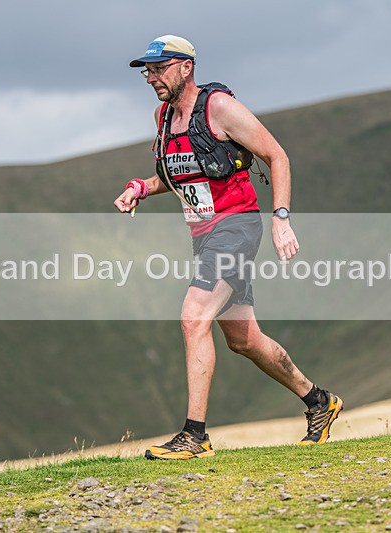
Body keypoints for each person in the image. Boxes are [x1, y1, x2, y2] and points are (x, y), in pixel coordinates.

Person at [114, 35, 342, 460]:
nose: (151, 78)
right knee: (244, 339)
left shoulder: (219, 108)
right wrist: (139, 188)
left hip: (236, 228)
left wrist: (280, 218)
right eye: (147, 71)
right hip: (204, 236)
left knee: (193, 317)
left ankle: (194, 437)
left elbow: (277, 156)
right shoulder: (163, 117)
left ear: (186, 67)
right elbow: (178, 174)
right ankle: (320, 402)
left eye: (159, 69)